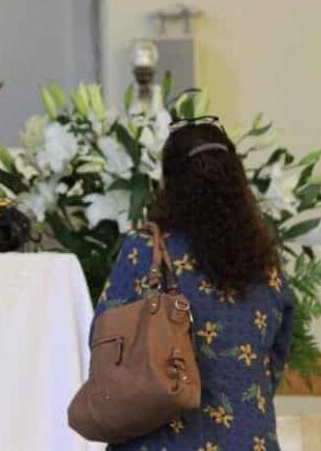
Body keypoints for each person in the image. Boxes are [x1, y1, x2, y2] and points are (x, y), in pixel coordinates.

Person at [96, 117, 294, 451]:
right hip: (248, 437)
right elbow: (276, 355)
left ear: (169, 183)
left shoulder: (146, 252)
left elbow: (104, 341)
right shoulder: (264, 263)